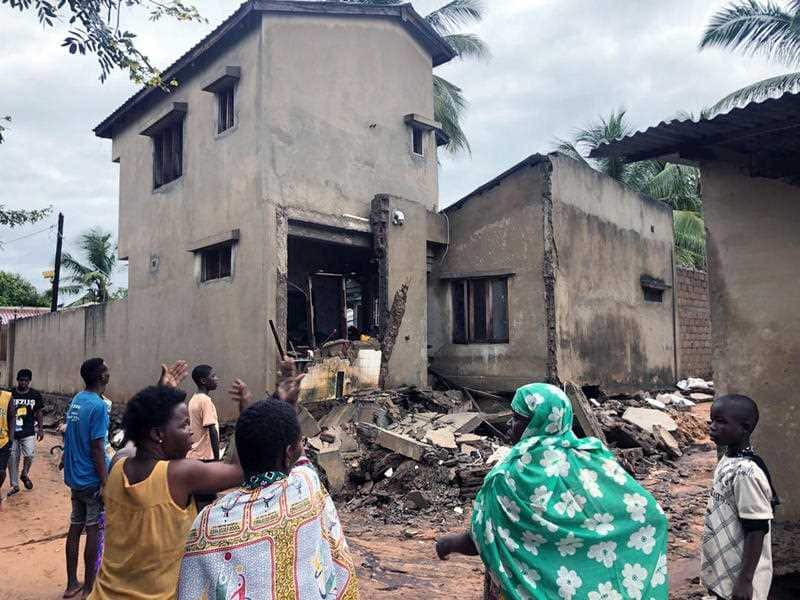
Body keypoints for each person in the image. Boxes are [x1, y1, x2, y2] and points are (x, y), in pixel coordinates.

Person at [88, 361, 305, 600]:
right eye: (183, 426)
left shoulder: (119, 464)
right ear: (158, 434)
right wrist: (249, 411)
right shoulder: (179, 475)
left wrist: (162, 391)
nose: (191, 431)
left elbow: (135, 435)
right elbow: (240, 468)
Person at [436, 383, 669, 600]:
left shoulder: (512, 474)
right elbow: (644, 512)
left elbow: (488, 534)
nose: (509, 423)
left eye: (518, 418)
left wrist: (450, 544)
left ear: (537, 423)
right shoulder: (593, 456)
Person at [177, 400, 359, 598]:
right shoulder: (307, 485)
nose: (302, 446)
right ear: (289, 452)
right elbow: (303, 462)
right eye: (300, 441)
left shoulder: (207, 523)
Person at [702, 395, 777, 600]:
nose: (713, 426)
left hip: (743, 575)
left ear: (745, 427)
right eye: (712, 420)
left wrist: (744, 581)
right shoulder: (729, 459)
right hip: (727, 566)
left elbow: (757, 528)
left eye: (721, 421)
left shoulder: (746, 473)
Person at [62, 358, 112, 599]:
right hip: (91, 478)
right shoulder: (99, 406)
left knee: (75, 526)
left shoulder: (77, 400)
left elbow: (71, 437)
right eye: (107, 370)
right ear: (101, 376)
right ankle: (89, 588)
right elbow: (96, 447)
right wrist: (105, 482)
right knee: (92, 529)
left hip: (75, 477)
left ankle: (72, 583)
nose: (109, 372)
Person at [7, 368, 44, 496]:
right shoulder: (10, 394)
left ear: (29, 381)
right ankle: (14, 484)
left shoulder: (35, 395)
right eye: (21, 380)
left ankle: (24, 473)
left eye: (26, 381)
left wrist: (40, 429)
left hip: (28, 431)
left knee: (29, 454)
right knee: (12, 458)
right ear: (17, 380)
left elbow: (39, 413)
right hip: (12, 432)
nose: (23, 383)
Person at [186, 364, 220, 462]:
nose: (216, 379)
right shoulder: (205, 401)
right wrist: (217, 459)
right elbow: (212, 430)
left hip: (194, 454)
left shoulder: (194, 399)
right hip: (204, 456)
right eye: (213, 376)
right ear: (203, 381)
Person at [0, 387, 15, 509]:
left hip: (3, 441)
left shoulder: (7, 397)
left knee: (1, 471)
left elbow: (12, 417)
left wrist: (11, 438)